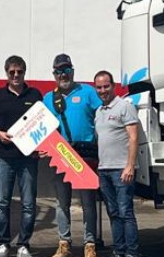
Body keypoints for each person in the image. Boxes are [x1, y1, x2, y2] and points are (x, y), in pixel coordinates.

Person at [0, 54, 43, 257]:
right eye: (12, 72)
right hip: (3, 156)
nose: (16, 75)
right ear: (6, 73)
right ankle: (3, 243)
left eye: (19, 72)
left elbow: (43, 123)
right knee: (2, 203)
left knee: (28, 203)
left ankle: (24, 244)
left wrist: (42, 146)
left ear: (24, 73)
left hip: (28, 157)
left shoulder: (35, 94)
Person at [44, 53, 102, 257]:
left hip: (85, 154)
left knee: (88, 202)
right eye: (59, 71)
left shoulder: (88, 92)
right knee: (62, 203)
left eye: (67, 70)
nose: (63, 74)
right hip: (61, 155)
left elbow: (102, 116)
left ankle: (89, 244)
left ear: (73, 71)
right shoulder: (48, 98)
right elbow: (42, 129)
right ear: (54, 74)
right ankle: (64, 243)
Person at [92, 71, 140, 257]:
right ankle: (119, 250)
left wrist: (130, 166)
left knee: (125, 212)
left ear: (113, 86)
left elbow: (134, 138)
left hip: (121, 169)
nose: (103, 90)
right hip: (104, 170)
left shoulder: (124, 106)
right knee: (113, 212)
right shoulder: (98, 111)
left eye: (106, 86)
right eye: (99, 87)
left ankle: (132, 252)